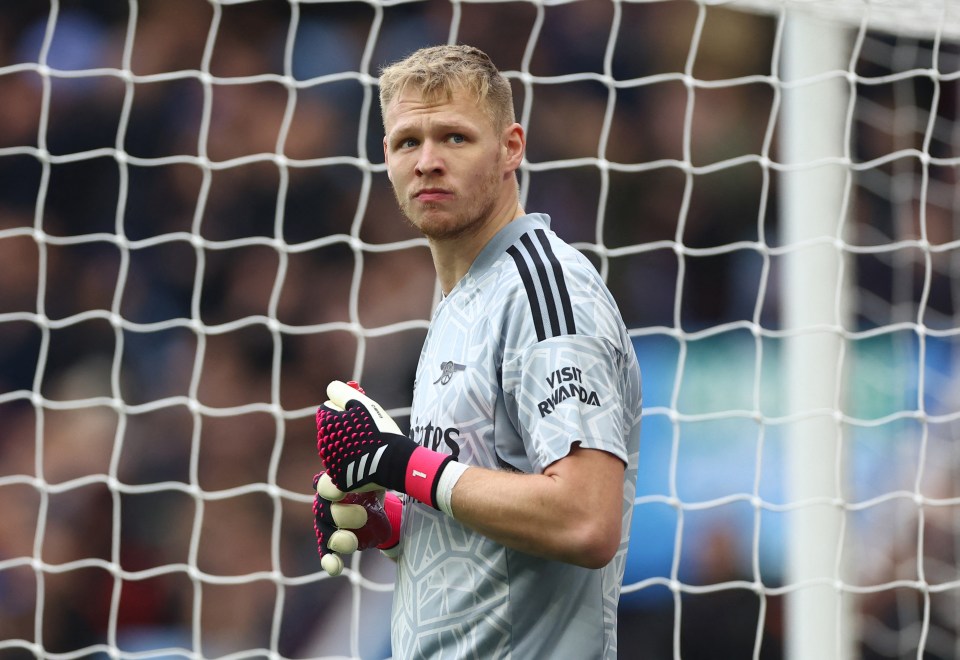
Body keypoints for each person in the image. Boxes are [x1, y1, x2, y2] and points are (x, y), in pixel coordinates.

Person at [312, 44, 642, 659]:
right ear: (385, 157)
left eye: (455, 138)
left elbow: (585, 519)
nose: (428, 161)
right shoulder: (465, 297)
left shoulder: (547, 292)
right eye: (408, 142)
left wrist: (403, 465)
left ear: (511, 147)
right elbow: (482, 500)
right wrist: (393, 519)